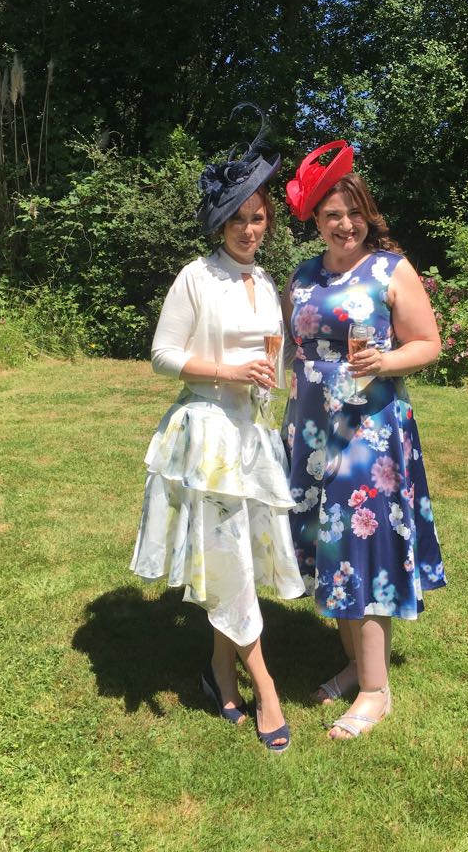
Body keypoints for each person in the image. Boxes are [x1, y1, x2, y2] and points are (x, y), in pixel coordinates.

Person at [130, 104, 305, 753]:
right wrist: (227, 370)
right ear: (220, 223)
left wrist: (276, 381)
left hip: (251, 436)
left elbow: (272, 361)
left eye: (258, 218)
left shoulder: (264, 281)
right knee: (228, 557)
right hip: (206, 435)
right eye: (239, 219)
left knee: (233, 560)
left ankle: (218, 672)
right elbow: (162, 355)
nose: (250, 229)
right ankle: (266, 687)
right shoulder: (196, 278)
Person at [282, 141, 446, 739]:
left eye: (353, 212)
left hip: (369, 433)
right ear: (316, 221)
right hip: (311, 429)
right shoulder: (304, 275)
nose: (344, 224)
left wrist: (386, 361)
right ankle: (355, 664)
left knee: (362, 544)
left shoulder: (390, 269)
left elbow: (428, 343)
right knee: (329, 545)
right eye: (332, 215)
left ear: (366, 214)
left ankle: (377, 691)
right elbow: (291, 347)